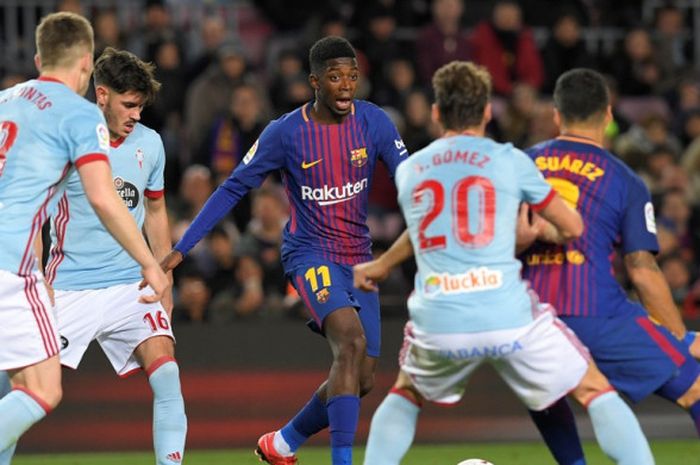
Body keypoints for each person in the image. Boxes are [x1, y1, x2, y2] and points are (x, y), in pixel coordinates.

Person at [353, 61, 654, 465]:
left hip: (441, 317)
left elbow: (429, 227)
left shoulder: (411, 170)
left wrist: (382, 264)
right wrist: (533, 233)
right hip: (508, 313)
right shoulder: (510, 161)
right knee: (593, 388)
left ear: (437, 112)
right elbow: (571, 224)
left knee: (406, 392)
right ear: (488, 111)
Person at [157, 36, 409, 465]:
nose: (346, 86)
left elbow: (413, 180)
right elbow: (233, 186)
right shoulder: (286, 132)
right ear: (315, 82)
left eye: (352, 76)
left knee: (361, 378)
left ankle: (283, 442)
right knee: (348, 344)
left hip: (361, 259)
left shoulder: (375, 122)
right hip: (310, 253)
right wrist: (183, 248)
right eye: (334, 77)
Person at [0, 12, 168, 457]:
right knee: (40, 390)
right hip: (12, 264)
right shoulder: (79, 115)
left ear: (39, 58)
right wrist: (151, 263)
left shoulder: (6, 100)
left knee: (13, 385)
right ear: (85, 65)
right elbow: (102, 197)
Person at [520, 68, 700, 436]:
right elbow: (642, 270)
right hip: (595, 312)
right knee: (696, 387)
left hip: (527, 318)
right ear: (608, 115)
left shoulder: (519, 165)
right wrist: (677, 339)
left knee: (556, 400)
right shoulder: (624, 179)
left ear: (556, 115)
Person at [41, 47, 186, 465]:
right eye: (129, 105)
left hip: (131, 285)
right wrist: (39, 279)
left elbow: (155, 210)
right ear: (101, 94)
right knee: (28, 391)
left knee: (168, 375)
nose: (136, 114)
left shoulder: (151, 145)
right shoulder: (67, 141)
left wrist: (165, 280)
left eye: (141, 106)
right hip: (69, 286)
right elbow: (36, 214)